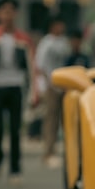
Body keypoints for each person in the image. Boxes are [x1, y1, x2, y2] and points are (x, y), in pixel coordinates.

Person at [0, 0, 39, 185]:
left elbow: (31, 68)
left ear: (16, 14)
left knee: (15, 130)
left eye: (11, 11)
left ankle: (15, 169)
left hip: (15, 86)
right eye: (4, 11)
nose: (7, 15)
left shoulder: (23, 39)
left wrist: (34, 93)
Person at [35, 15, 69, 168]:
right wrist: (45, 85)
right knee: (51, 120)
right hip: (51, 85)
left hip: (66, 85)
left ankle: (67, 151)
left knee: (66, 119)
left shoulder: (64, 43)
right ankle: (48, 151)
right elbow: (40, 66)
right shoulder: (46, 43)